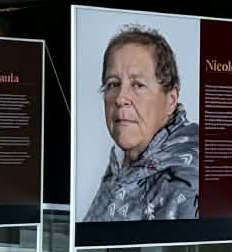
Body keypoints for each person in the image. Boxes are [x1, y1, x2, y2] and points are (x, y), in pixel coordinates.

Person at [83, 27, 199, 223]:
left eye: (137, 85)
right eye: (112, 84)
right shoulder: (119, 171)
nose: (120, 98)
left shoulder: (188, 184)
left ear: (171, 99)